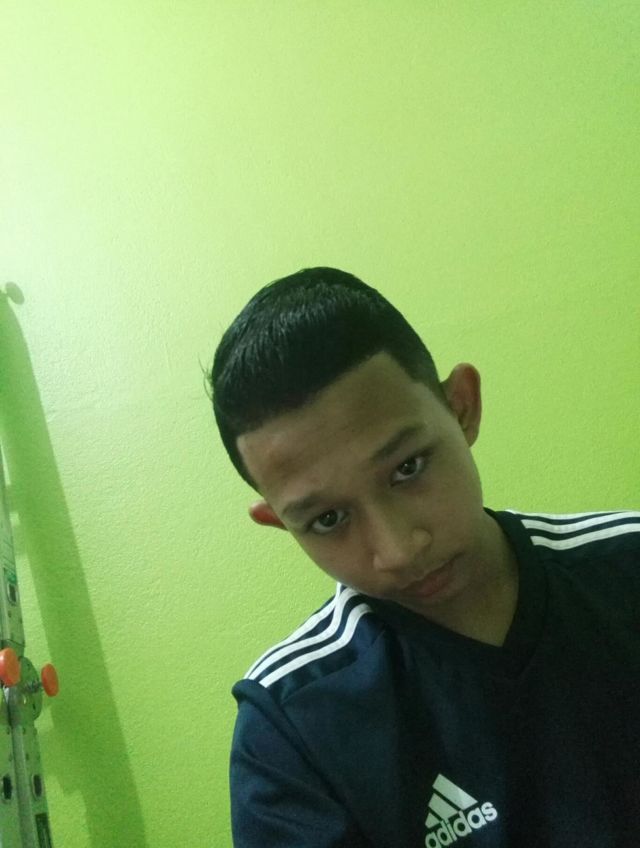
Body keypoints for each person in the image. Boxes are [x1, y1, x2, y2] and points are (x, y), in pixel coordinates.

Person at [209, 267, 640, 847]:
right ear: (281, 524)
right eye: (328, 519)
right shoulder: (291, 724)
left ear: (462, 407)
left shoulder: (628, 568)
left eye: (407, 468)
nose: (397, 549)